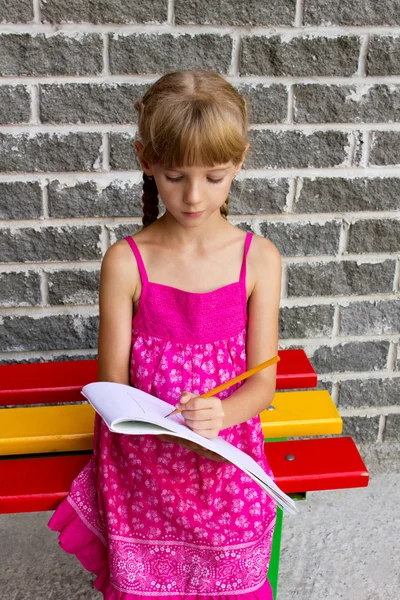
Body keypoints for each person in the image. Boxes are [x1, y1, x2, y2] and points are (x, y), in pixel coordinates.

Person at [48, 70, 281, 600]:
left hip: (224, 453)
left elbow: (262, 385)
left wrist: (221, 415)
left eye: (215, 176)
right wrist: (163, 425)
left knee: (235, 552)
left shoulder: (260, 260)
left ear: (240, 159)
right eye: (175, 176)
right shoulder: (127, 262)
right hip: (145, 461)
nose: (194, 196)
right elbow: (111, 387)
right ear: (145, 159)